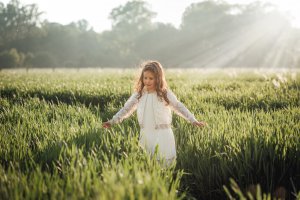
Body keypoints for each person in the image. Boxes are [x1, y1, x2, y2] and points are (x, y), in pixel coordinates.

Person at [102, 61, 205, 166]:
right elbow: (126, 109)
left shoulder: (164, 94)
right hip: (146, 135)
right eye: (145, 78)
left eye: (151, 78)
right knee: (147, 164)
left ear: (158, 78)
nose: (147, 81)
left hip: (162, 135)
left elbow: (179, 106)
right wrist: (113, 121)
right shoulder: (139, 94)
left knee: (163, 164)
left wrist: (193, 120)